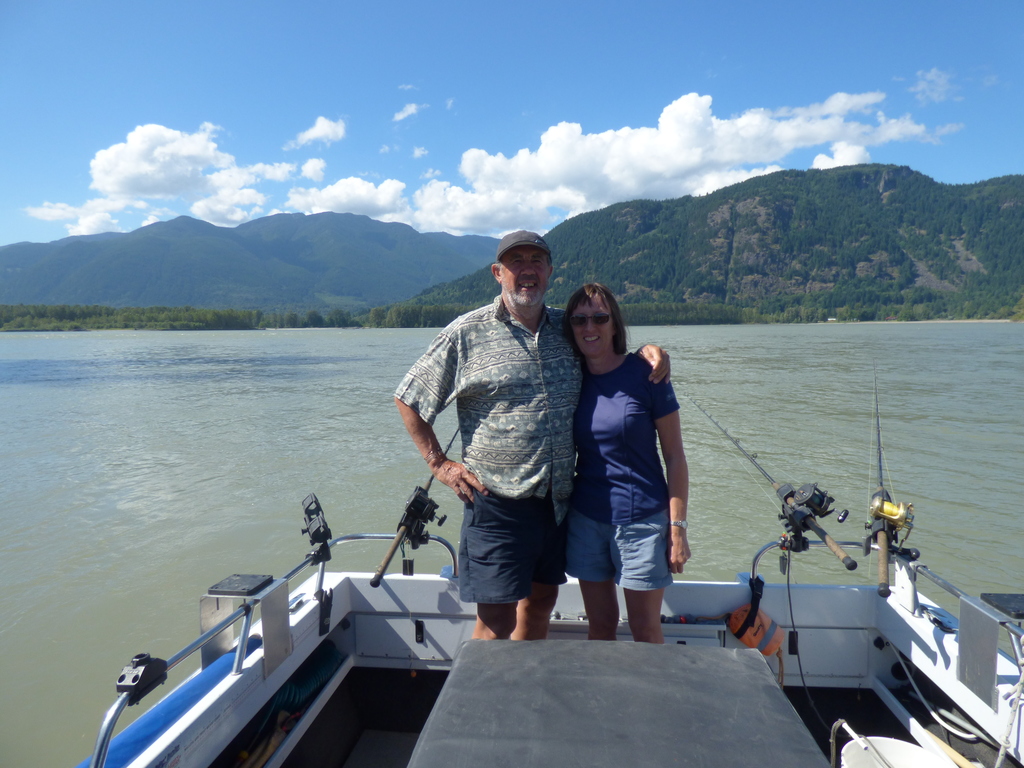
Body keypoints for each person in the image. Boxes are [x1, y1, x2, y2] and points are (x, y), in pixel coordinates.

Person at [395, 231, 669, 641]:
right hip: (495, 503)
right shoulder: (465, 333)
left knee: (540, 604)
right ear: (497, 273)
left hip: (557, 504)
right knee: (496, 623)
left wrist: (649, 352)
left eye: (536, 261)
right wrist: (440, 464)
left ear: (550, 271)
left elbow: (605, 347)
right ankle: (481, 686)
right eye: (516, 261)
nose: (527, 270)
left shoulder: (568, 325)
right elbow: (409, 399)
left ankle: (527, 683)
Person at [563, 283, 690, 644]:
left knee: (644, 628)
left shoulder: (647, 374)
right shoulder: (570, 377)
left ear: (615, 324)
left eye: (600, 318)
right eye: (579, 320)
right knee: (600, 625)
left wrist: (677, 529)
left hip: (642, 522)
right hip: (586, 520)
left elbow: (675, 457)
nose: (590, 327)